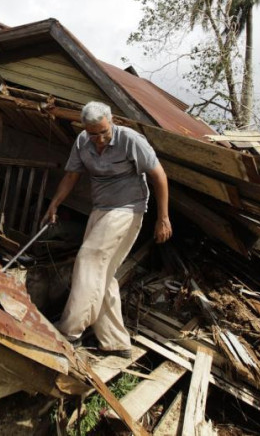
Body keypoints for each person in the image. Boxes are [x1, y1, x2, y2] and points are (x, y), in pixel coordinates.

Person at [42, 101, 171, 357]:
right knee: (103, 275)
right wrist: (54, 204)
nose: (99, 139)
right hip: (101, 209)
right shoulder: (82, 142)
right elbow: (71, 175)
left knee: (88, 258)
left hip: (128, 209)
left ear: (111, 123)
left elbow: (159, 176)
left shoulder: (130, 140)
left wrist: (163, 218)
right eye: (93, 134)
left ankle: (70, 331)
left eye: (103, 132)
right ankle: (116, 341)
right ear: (85, 128)